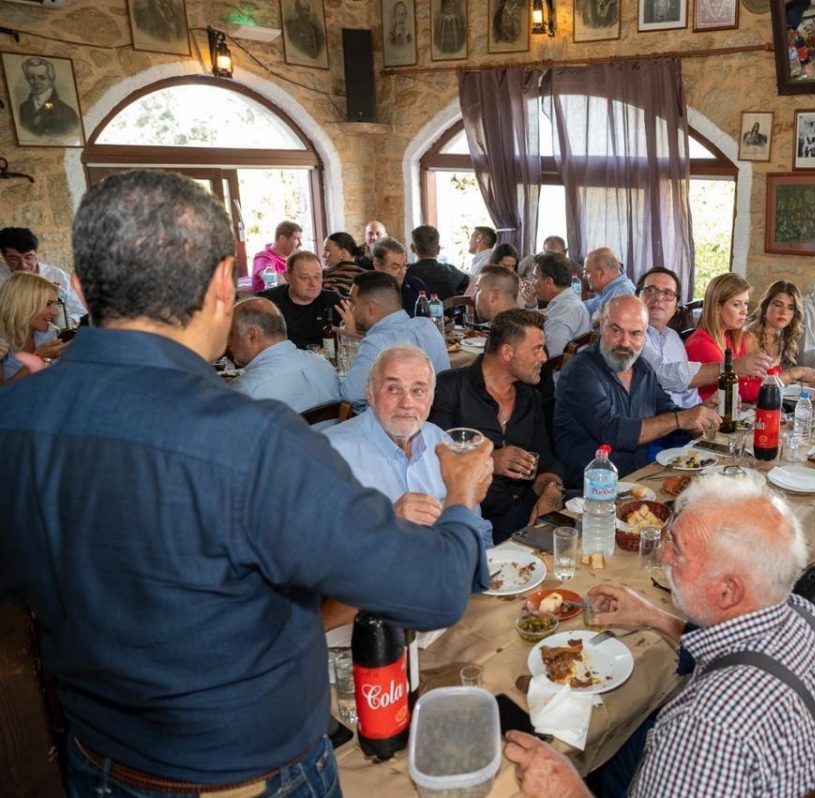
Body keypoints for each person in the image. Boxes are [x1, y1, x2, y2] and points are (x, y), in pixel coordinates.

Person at [0, 169, 496, 794]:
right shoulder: (252, 438)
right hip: (249, 775)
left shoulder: (15, 416)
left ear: (75, 288)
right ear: (219, 287)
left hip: (99, 763)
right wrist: (458, 499)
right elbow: (433, 593)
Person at [503, 476, 815, 798]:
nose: (663, 554)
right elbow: (729, 646)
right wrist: (652, 616)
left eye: (677, 548)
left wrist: (566, 790)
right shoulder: (806, 614)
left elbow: (711, 730)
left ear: (727, 591)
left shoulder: (706, 729)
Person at [431, 309, 567, 541]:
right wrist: (489, 461)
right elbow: (430, 463)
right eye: (536, 349)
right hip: (467, 520)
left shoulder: (530, 397)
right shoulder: (451, 389)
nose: (545, 357)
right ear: (507, 352)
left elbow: (546, 460)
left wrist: (552, 489)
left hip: (522, 514)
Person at [554, 295, 719, 486]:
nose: (625, 343)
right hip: (589, 493)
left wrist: (698, 415)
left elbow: (667, 413)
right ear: (601, 326)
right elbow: (612, 431)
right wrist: (681, 419)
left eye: (635, 334)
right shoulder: (580, 372)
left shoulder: (642, 368)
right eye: (616, 330)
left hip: (638, 482)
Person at [326, 345, 470, 525]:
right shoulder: (329, 455)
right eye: (393, 389)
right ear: (369, 392)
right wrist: (386, 521)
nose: (407, 403)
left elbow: (473, 522)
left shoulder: (441, 442)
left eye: (418, 391)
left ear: (431, 399)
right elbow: (313, 544)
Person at [341, 270, 450, 413]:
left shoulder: (375, 344)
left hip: (390, 428)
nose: (351, 309)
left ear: (370, 309)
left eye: (353, 303)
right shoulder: (428, 325)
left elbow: (350, 395)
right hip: (435, 417)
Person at [226, 297, 339, 415]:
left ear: (252, 336)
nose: (228, 342)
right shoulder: (324, 366)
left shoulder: (246, 391)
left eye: (231, 334)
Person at [684, 272, 762, 405]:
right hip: (709, 418)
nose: (745, 311)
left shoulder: (730, 337)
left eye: (746, 303)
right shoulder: (701, 344)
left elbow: (750, 381)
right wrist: (787, 376)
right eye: (737, 304)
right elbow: (744, 391)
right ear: (717, 307)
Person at [743, 280, 815, 388]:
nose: (783, 312)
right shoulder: (750, 337)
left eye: (790, 308)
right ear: (766, 306)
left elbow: (775, 379)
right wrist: (800, 371)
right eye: (778, 305)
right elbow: (759, 386)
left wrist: (805, 383)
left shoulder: (780, 335)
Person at [0, 226, 87, 324]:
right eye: (14, 259)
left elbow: (81, 311)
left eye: (28, 257)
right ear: (4, 257)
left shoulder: (58, 276)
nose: (23, 265)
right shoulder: (1, 280)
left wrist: (66, 322)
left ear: (35, 253)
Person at [258, 250, 341, 350]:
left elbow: (345, 336)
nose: (313, 283)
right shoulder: (268, 302)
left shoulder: (331, 300)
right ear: (287, 277)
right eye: (304, 277)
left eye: (317, 277)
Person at [0, 271, 67, 383]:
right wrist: (38, 359)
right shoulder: (2, 343)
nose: (55, 312)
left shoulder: (47, 334)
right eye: (48, 304)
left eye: (55, 304)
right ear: (24, 304)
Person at [532, 251, 590, 358]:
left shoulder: (563, 312)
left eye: (535, 277)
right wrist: (531, 304)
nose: (532, 283)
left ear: (549, 282)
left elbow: (553, 356)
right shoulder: (567, 301)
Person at [17, 57, 81, 139]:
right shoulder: (23, 107)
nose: (36, 82)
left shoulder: (67, 112)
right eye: (31, 78)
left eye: (42, 78)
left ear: (51, 79)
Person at [407, 225, 470, 299]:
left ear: (412, 248)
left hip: (413, 310)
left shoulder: (405, 272)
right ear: (438, 249)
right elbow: (469, 282)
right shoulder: (450, 271)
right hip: (446, 311)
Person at [371, 235, 428, 317]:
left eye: (404, 265)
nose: (402, 272)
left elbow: (431, 316)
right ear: (377, 266)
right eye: (395, 267)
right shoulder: (368, 293)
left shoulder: (416, 285)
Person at [251, 221, 303, 293]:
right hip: (270, 302)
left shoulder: (290, 258)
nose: (300, 244)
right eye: (296, 239)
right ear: (282, 239)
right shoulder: (263, 257)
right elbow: (272, 280)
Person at [582, 247, 635, 314]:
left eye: (587, 272)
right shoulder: (607, 290)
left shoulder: (621, 295)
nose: (584, 277)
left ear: (601, 273)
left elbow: (600, 322)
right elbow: (589, 306)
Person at [321, 232, 364, 300]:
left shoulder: (322, 275)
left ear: (342, 253)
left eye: (327, 250)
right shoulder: (367, 276)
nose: (323, 255)